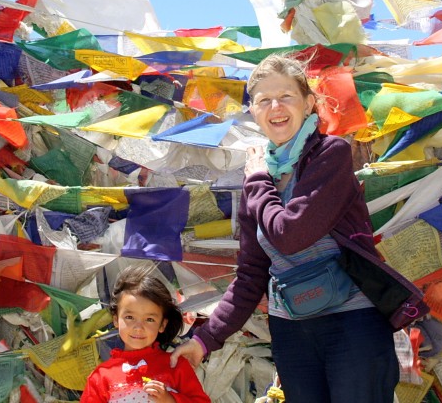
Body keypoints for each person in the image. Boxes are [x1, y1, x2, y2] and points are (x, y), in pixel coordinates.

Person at [170, 54, 426, 403]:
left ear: (307, 103)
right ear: (254, 111)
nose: (275, 107)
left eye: (285, 96)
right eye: (264, 100)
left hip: (352, 322)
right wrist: (204, 340)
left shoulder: (329, 155)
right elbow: (251, 275)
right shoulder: (259, 178)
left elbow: (290, 236)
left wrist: (257, 181)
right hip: (292, 330)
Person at [81, 266, 210, 403]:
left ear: (162, 325)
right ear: (116, 320)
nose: (138, 327)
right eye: (130, 317)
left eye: (149, 319)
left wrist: (170, 400)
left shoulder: (175, 366)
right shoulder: (101, 376)